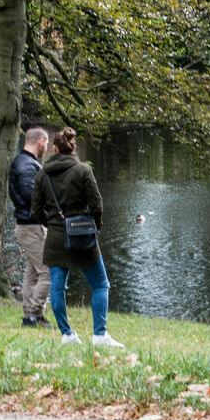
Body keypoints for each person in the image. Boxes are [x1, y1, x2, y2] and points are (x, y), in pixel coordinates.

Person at [30, 127, 123, 347]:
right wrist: (95, 228)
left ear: (54, 149)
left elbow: (35, 209)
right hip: (83, 235)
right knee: (100, 284)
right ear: (73, 148)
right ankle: (99, 335)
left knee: (57, 288)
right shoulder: (83, 170)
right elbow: (97, 205)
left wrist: (52, 224)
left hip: (55, 238)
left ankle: (67, 334)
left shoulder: (43, 173)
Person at [8, 127, 51, 327]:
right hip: (31, 226)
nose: (47, 147)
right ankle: (34, 314)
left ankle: (30, 316)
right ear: (41, 142)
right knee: (48, 272)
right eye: (47, 143)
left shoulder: (24, 162)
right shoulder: (26, 165)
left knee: (32, 273)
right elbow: (31, 196)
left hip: (29, 225)